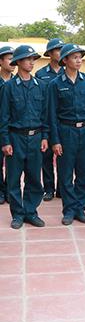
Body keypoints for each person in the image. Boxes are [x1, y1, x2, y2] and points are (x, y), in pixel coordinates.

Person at [47, 44, 85, 225]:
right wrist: (55, 140)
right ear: (65, 60)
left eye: (80, 57)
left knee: (84, 174)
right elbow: (51, 114)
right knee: (66, 174)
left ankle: (80, 209)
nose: (79, 60)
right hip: (65, 131)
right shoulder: (55, 84)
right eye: (75, 57)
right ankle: (69, 210)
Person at [0, 45, 49, 229]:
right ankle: (17, 214)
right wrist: (5, 141)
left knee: (34, 178)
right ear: (18, 62)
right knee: (13, 179)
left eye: (33, 59)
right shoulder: (9, 87)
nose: (31, 62)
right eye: (28, 59)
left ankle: (31, 212)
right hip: (16, 138)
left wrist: (45, 137)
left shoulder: (40, 86)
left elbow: (44, 116)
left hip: (35, 138)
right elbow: (3, 117)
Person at [36, 38, 64, 202]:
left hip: (63, 121)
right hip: (46, 120)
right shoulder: (41, 74)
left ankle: (61, 188)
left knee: (63, 156)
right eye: (57, 49)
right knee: (46, 156)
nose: (60, 52)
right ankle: (48, 188)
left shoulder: (67, 72)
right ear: (50, 53)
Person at [0, 46, 15, 205]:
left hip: (14, 129)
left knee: (13, 164)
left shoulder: (17, 81)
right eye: (9, 58)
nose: (13, 62)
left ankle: (11, 191)